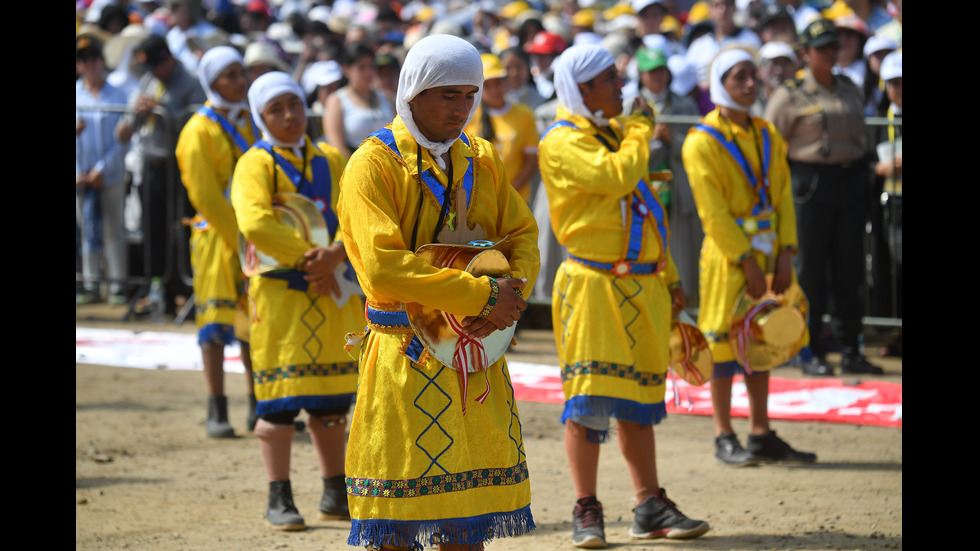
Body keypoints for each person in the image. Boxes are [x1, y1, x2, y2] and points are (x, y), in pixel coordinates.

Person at [336, 34, 540, 550]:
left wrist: (510, 294)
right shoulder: (372, 165)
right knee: (398, 524)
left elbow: (521, 234)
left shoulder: (482, 157)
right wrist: (481, 299)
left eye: (470, 94)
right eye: (448, 95)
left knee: (467, 519)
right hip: (406, 353)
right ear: (413, 94)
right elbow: (383, 268)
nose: (463, 107)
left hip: (474, 348)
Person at [538, 43, 709, 549]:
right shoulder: (561, 142)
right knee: (589, 400)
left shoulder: (613, 136)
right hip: (592, 286)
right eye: (610, 79)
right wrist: (640, 131)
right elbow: (616, 178)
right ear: (583, 88)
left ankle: (648, 503)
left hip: (643, 285)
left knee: (637, 401)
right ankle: (585, 508)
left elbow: (648, 212)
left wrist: (672, 277)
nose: (621, 87)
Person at [231, 71, 362, 531]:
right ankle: (279, 494)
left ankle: (334, 490)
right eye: (276, 109)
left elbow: (355, 211)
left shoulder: (330, 157)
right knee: (279, 401)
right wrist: (315, 261)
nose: (289, 116)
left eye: (293, 106)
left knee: (330, 402)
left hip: (330, 289)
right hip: (282, 292)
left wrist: (337, 252)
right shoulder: (254, 163)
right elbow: (255, 222)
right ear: (260, 116)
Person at [682, 47, 818, 467]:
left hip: (771, 248)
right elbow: (713, 212)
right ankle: (724, 434)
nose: (749, 83)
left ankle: (760, 431)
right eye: (738, 76)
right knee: (723, 343)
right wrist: (745, 259)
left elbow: (782, 197)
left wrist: (785, 254)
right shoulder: (701, 141)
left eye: (751, 75)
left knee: (764, 336)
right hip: (729, 258)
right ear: (720, 82)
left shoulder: (766, 133)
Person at [764, 19, 883, 376]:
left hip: (849, 180)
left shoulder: (849, 86)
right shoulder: (790, 94)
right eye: (822, 48)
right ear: (805, 53)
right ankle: (808, 348)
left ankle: (851, 347)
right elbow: (772, 145)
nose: (830, 53)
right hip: (810, 184)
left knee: (850, 268)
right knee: (810, 271)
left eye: (834, 47)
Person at [174, 46, 257, 438]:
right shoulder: (198, 130)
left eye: (242, 74)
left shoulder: (250, 122)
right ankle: (216, 406)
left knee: (252, 318)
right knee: (215, 320)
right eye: (231, 75)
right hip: (217, 236)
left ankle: (258, 403)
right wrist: (239, 234)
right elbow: (203, 194)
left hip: (252, 234)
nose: (240, 82)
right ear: (212, 81)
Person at [116, 34, 206, 306]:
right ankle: (158, 290)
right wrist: (138, 113)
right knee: (152, 228)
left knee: (182, 228)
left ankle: (188, 288)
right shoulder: (148, 80)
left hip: (179, 168)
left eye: (156, 65)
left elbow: (199, 124)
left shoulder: (190, 81)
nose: (153, 72)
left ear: (168, 58)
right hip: (152, 166)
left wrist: (163, 109)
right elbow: (124, 128)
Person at [623, 46, 703, 308]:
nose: (657, 76)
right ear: (641, 75)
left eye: (661, 70)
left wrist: (673, 139)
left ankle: (685, 301)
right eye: (651, 71)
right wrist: (653, 140)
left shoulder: (685, 104)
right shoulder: (629, 104)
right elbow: (625, 151)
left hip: (678, 188)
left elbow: (697, 145)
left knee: (681, 247)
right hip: (644, 188)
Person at [76, 34, 130, 306]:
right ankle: (90, 283)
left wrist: (100, 169)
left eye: (95, 59)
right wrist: (80, 172)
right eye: (84, 60)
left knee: (113, 229)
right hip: (81, 176)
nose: (91, 64)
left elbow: (122, 138)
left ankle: (117, 285)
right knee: (87, 228)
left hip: (109, 173)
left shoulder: (117, 93)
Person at [465, 53, 540, 204]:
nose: (494, 90)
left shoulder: (524, 115)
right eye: (488, 85)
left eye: (498, 82)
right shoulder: (468, 117)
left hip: (515, 200)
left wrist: (507, 192)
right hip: (478, 202)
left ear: (505, 82)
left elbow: (530, 161)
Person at [685, 0, 762, 114]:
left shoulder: (751, 39)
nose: (723, 10)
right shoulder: (698, 45)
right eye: (717, 5)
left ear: (735, 8)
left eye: (728, 4)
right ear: (710, 10)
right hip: (701, 110)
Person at [323, 41, 396, 159]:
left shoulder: (387, 98)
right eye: (361, 67)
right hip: (354, 168)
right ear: (346, 69)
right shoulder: (336, 101)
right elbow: (337, 147)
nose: (368, 73)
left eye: (371, 67)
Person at [752, 40, 798, 117]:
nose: (779, 71)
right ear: (759, 71)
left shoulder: (803, 101)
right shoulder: (750, 103)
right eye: (773, 64)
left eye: (785, 64)